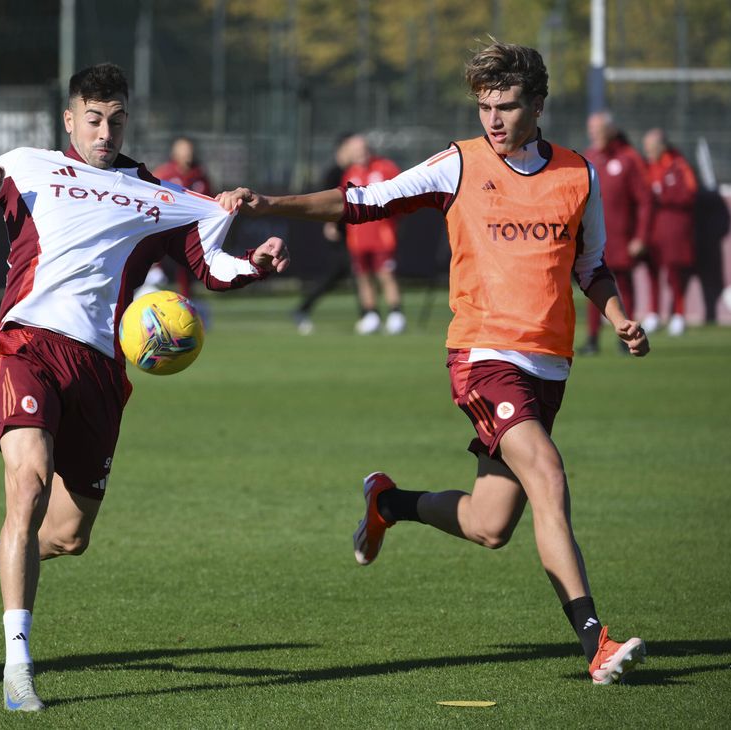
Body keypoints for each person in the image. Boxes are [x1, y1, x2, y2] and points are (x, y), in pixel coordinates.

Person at [220, 41, 649, 685]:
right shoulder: (459, 164)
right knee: (547, 474)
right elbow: (361, 201)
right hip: (483, 355)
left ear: (537, 105)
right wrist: (268, 204)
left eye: (507, 107)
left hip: (549, 367)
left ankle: (389, 504)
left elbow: (590, 265)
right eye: (484, 107)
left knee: (490, 525)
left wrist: (617, 317)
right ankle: (596, 642)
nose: (493, 120)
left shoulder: (577, 176)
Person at [0, 63, 288, 712]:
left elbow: (209, 266)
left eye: (116, 120)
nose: (104, 132)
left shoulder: (156, 193)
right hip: (28, 345)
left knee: (67, 536)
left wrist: (254, 264)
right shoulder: (27, 167)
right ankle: (18, 669)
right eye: (92, 119)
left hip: (98, 372)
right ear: (69, 119)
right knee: (27, 486)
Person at [579, 111, 653, 354]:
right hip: (593, 238)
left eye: (599, 130)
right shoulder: (589, 158)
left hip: (621, 238)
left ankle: (627, 336)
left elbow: (645, 201)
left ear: (610, 131)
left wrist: (640, 236)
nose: (595, 135)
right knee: (592, 285)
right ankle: (592, 338)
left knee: (623, 286)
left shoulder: (629, 158)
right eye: (592, 131)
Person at [292, 132, 359, 335]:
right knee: (353, 271)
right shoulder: (333, 173)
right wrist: (330, 224)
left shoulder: (353, 171)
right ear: (343, 149)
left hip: (353, 230)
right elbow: (326, 202)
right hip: (340, 231)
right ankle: (368, 314)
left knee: (341, 273)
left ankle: (303, 308)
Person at [342, 136, 406, 335]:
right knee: (363, 276)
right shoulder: (350, 173)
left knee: (386, 274)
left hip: (382, 236)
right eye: (355, 150)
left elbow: (403, 194)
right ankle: (371, 314)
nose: (360, 153)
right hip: (357, 238)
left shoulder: (385, 167)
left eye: (362, 148)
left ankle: (396, 313)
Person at [642, 128, 698, 337]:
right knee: (652, 272)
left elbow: (690, 192)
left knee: (674, 274)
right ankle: (653, 314)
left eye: (651, 148)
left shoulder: (679, 165)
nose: (648, 152)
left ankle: (678, 314)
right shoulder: (646, 166)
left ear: (662, 146)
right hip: (652, 229)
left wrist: (663, 195)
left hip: (673, 230)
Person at [151, 136, 214, 298]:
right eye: (184, 149)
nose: (188, 153)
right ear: (175, 152)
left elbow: (210, 202)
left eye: (190, 149)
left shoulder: (200, 175)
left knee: (185, 267)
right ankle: (153, 277)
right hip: (166, 227)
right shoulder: (164, 173)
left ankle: (186, 299)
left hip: (190, 231)